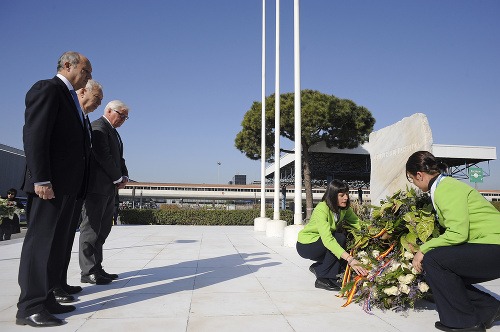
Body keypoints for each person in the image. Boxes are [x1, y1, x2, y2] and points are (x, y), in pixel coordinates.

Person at [16, 51, 92, 327]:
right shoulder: (48, 89)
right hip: (49, 185)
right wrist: (41, 179)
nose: (88, 76)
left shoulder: (70, 98)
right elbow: (35, 134)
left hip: (66, 187)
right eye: (86, 70)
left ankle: (46, 296)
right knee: (40, 244)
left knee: (55, 245)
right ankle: (29, 307)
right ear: (68, 65)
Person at [406, 151, 500, 332]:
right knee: (440, 269)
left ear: (419, 175)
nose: (415, 185)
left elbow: (458, 233)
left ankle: (464, 323)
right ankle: (489, 308)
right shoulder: (444, 186)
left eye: (412, 179)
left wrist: (423, 249)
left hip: (495, 246)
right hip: (489, 246)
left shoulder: (446, 188)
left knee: (433, 260)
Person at [53, 79, 104, 301]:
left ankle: (60, 283)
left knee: (65, 240)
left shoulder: (84, 119)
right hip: (59, 186)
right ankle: (49, 289)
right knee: (53, 241)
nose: (98, 104)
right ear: (83, 92)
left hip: (75, 188)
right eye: (97, 99)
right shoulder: (64, 109)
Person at [79, 100, 129, 285]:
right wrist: (117, 178)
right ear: (108, 110)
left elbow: (119, 158)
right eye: (120, 115)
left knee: (102, 230)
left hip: (109, 189)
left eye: (126, 117)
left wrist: (124, 175)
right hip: (96, 188)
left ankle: (97, 267)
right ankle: (88, 271)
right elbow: (103, 156)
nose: (123, 119)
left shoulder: (114, 132)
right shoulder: (99, 128)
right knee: (91, 230)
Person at [296, 180, 368, 291]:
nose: (346, 198)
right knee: (339, 238)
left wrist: (375, 229)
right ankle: (323, 279)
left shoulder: (344, 209)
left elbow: (357, 223)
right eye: (341, 195)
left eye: (347, 194)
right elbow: (328, 240)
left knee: (340, 246)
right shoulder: (322, 209)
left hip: (321, 244)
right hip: (307, 245)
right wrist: (350, 259)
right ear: (333, 196)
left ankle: (319, 268)